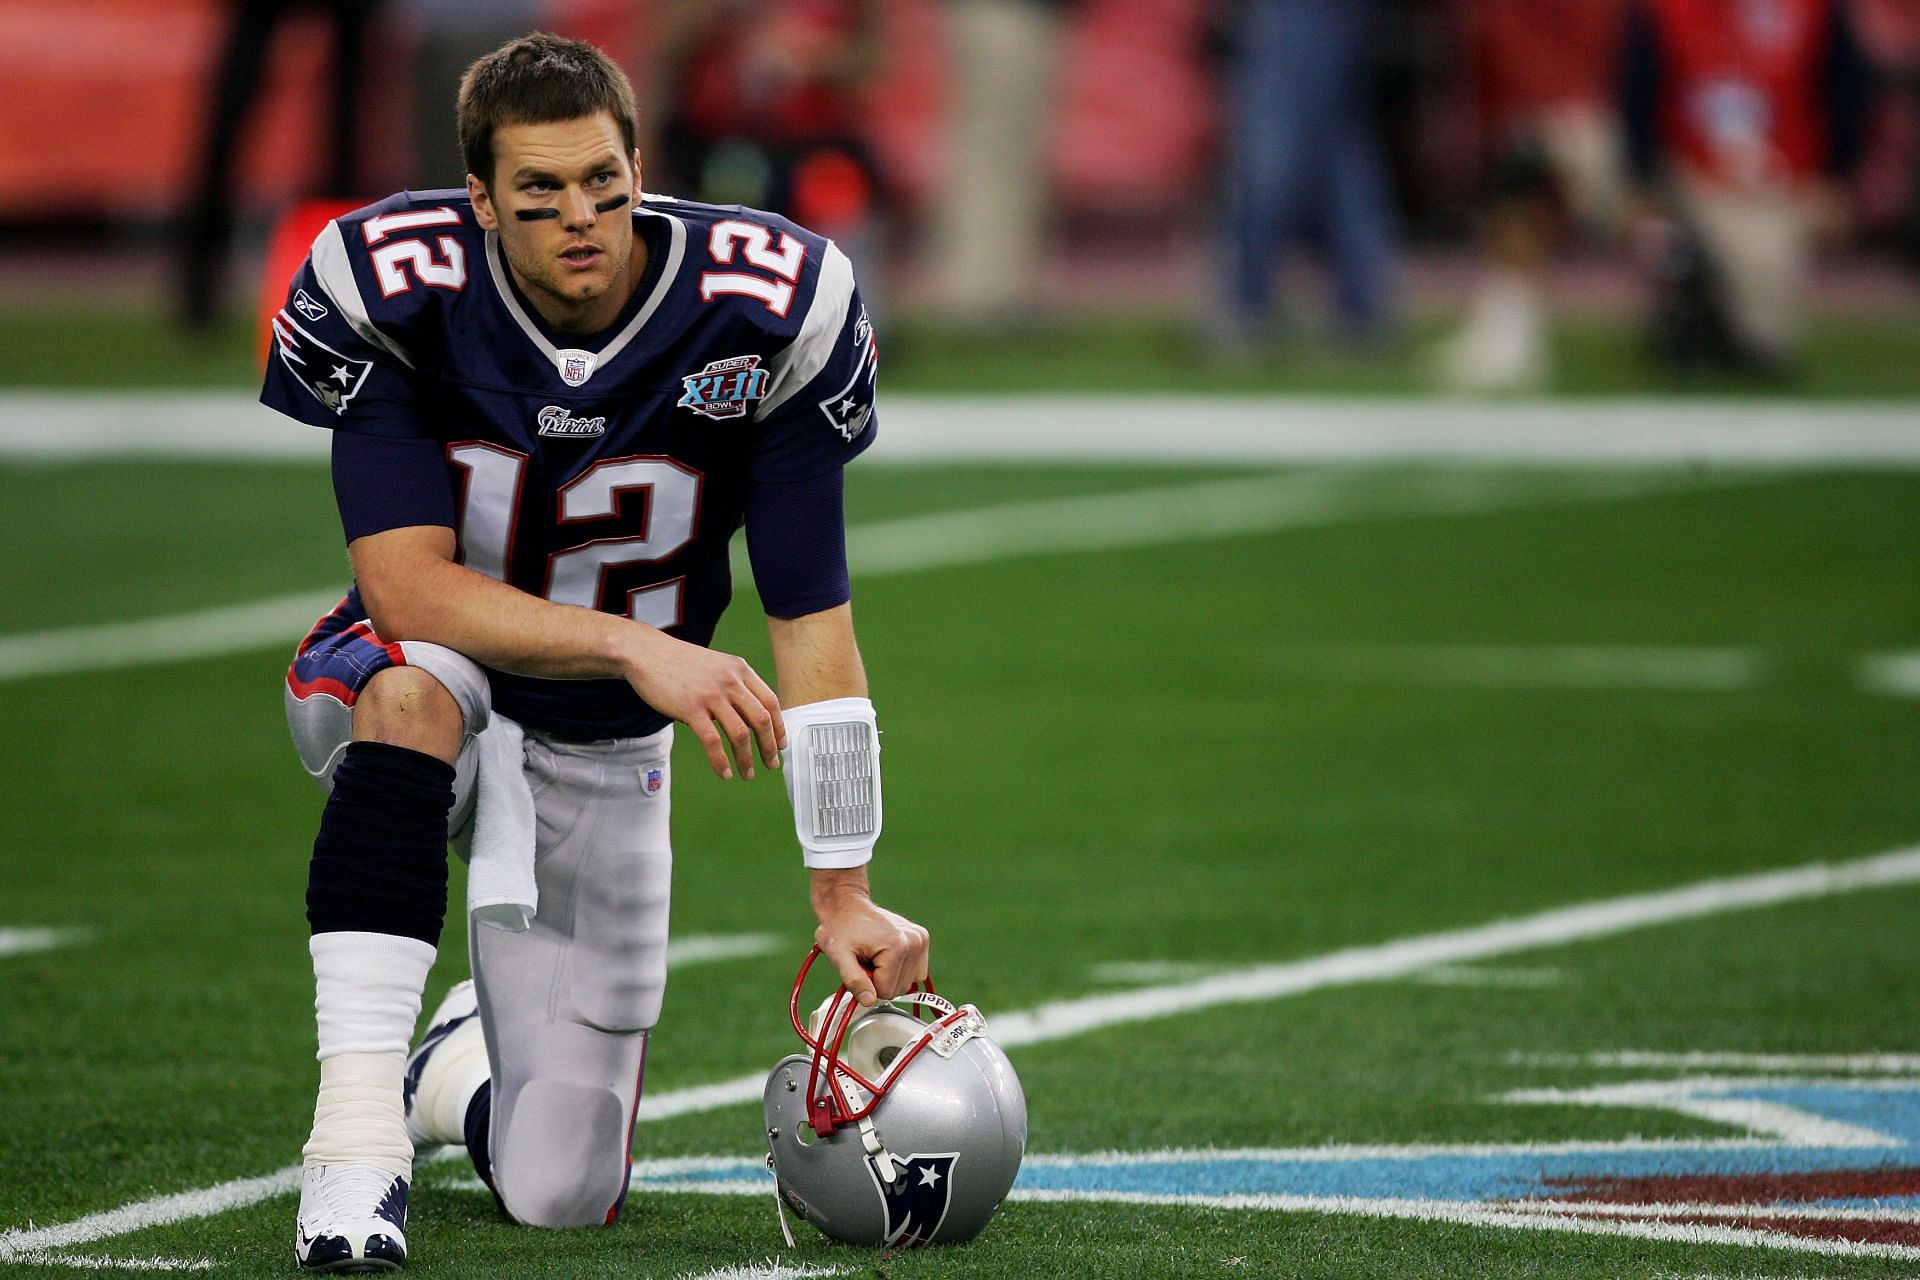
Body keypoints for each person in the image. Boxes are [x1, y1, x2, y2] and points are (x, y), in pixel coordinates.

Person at [259, 32, 928, 1271]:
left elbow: (811, 623)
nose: (582, 218)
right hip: (431, 650)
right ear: (478, 202)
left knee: (559, 1189)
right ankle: (354, 1146)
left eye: (605, 185)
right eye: (541, 195)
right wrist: (638, 644)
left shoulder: (768, 306)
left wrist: (843, 889)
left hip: (602, 740)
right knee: (407, 693)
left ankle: (455, 1065)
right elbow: (409, 581)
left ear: (639, 163)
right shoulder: (395, 284)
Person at [1621, 0, 1873, 374]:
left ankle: (1722, 324)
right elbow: (1637, 95)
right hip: (1692, 174)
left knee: (1768, 338)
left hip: (1782, 181)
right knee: (1660, 238)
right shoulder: (1667, 10)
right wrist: (1642, 184)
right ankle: (1685, 310)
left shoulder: (1813, 10)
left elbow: (1847, 93)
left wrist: (1836, 181)